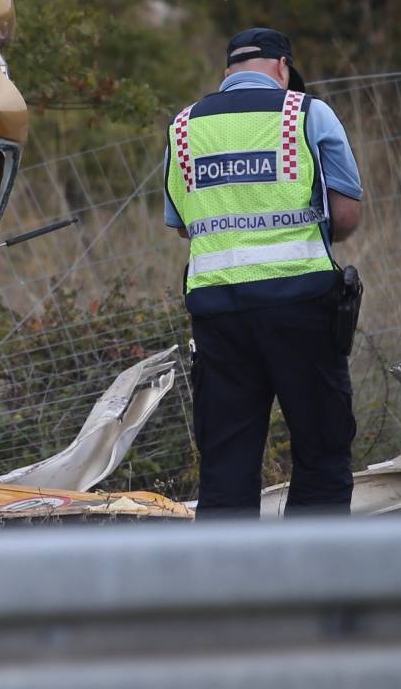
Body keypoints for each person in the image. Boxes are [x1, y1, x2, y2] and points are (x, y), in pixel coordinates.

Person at [163, 27, 364, 517]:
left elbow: (183, 224)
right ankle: (311, 585)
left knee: (226, 465)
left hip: (219, 318)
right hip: (303, 309)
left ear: (227, 72)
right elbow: (346, 216)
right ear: (282, 68)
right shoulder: (307, 113)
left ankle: (231, 589)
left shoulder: (184, 126)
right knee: (321, 454)